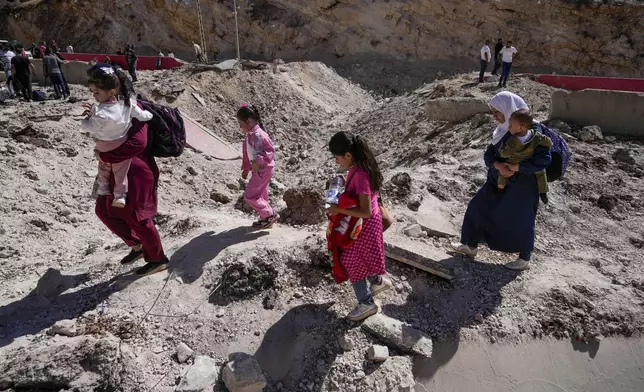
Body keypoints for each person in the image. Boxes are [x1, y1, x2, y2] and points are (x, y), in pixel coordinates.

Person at [452, 92, 551, 271]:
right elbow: (489, 154)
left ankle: (524, 258)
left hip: (523, 186)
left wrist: (518, 168)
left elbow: (543, 160)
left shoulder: (533, 132)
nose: (494, 116)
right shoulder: (504, 130)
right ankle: (470, 245)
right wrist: (497, 165)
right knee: (478, 206)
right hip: (496, 180)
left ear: (508, 109)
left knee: (521, 219)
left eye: (497, 111)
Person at [87, 68, 169, 277]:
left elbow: (137, 143)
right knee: (104, 211)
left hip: (135, 170)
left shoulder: (132, 106)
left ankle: (157, 258)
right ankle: (138, 245)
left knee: (137, 216)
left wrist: (103, 155)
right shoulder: (110, 108)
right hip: (114, 169)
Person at [326, 131, 393, 321]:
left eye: (338, 158)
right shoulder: (359, 168)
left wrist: (339, 210)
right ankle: (377, 281)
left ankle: (366, 303)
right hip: (363, 225)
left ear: (348, 155)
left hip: (365, 226)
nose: (337, 162)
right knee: (362, 258)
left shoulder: (361, 175)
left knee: (351, 261)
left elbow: (366, 212)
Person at [81, 66, 153, 210]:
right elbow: (142, 115)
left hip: (104, 145)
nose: (94, 96)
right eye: (93, 93)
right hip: (121, 141)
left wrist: (86, 120)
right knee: (121, 172)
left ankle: (103, 188)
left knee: (103, 168)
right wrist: (150, 115)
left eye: (97, 92)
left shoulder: (101, 111)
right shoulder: (127, 104)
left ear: (112, 91)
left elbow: (90, 128)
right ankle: (120, 196)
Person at [499, 109, 551, 204]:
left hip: (513, 162)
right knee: (541, 173)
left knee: (503, 173)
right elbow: (547, 142)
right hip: (528, 160)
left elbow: (504, 154)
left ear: (521, 127)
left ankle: (500, 189)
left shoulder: (512, 141)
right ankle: (543, 192)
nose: (509, 127)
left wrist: (502, 149)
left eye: (511, 125)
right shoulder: (536, 135)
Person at [238, 104, 278, 229]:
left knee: (250, 196)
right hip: (259, 170)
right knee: (261, 195)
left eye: (241, 123)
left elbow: (270, 151)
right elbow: (247, 154)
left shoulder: (260, 135)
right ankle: (265, 219)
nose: (240, 126)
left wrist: (258, 161)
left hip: (263, 169)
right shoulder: (250, 136)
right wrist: (246, 168)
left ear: (249, 121)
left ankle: (269, 214)